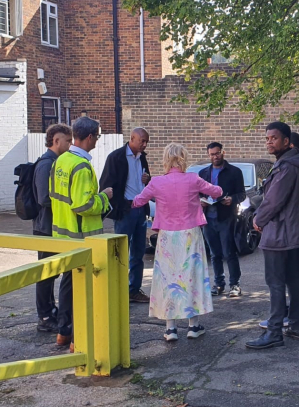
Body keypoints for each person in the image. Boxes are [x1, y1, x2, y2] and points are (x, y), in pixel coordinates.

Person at [132, 143, 223, 341]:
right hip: (190, 234)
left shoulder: (157, 182)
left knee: (168, 280)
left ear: (166, 159)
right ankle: (193, 325)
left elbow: (138, 201)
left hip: (167, 237)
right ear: (183, 158)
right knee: (191, 277)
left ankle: (170, 328)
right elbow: (216, 191)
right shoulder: (193, 179)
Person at [49, 117, 113, 349]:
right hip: (82, 238)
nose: (97, 140)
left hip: (63, 236)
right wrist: (105, 197)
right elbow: (83, 205)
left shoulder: (61, 160)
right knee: (84, 292)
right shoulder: (82, 167)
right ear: (89, 137)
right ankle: (80, 340)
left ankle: (64, 333)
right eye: (97, 136)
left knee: (68, 287)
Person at [246, 122, 299, 349]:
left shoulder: (287, 167)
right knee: (294, 281)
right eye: (267, 138)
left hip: (280, 236)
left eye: (274, 138)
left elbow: (273, 201)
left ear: (286, 141)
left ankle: (274, 332)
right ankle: (296, 325)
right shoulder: (292, 164)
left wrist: (257, 219)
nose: (269, 142)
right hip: (292, 235)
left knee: (276, 283)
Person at [100, 128, 152, 303]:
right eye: (142, 141)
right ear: (132, 138)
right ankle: (117, 290)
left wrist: (147, 179)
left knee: (138, 252)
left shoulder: (142, 157)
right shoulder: (116, 157)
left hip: (141, 208)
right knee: (120, 252)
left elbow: (145, 181)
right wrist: (122, 206)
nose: (144, 145)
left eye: (146, 142)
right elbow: (106, 185)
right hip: (125, 210)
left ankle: (133, 290)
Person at [32, 123, 72, 333]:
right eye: (68, 141)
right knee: (46, 274)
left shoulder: (55, 162)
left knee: (52, 272)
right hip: (45, 227)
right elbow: (43, 198)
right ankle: (45, 315)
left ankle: (50, 310)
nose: (70, 144)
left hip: (53, 227)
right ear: (56, 140)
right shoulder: (46, 164)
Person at [198, 142, 247, 298]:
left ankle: (235, 284)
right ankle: (219, 284)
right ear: (208, 155)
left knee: (229, 252)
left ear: (223, 152)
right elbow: (197, 194)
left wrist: (232, 199)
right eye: (212, 154)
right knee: (214, 254)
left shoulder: (234, 172)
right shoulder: (203, 173)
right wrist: (201, 201)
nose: (215, 156)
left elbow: (242, 194)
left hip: (226, 217)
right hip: (208, 218)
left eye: (217, 153)